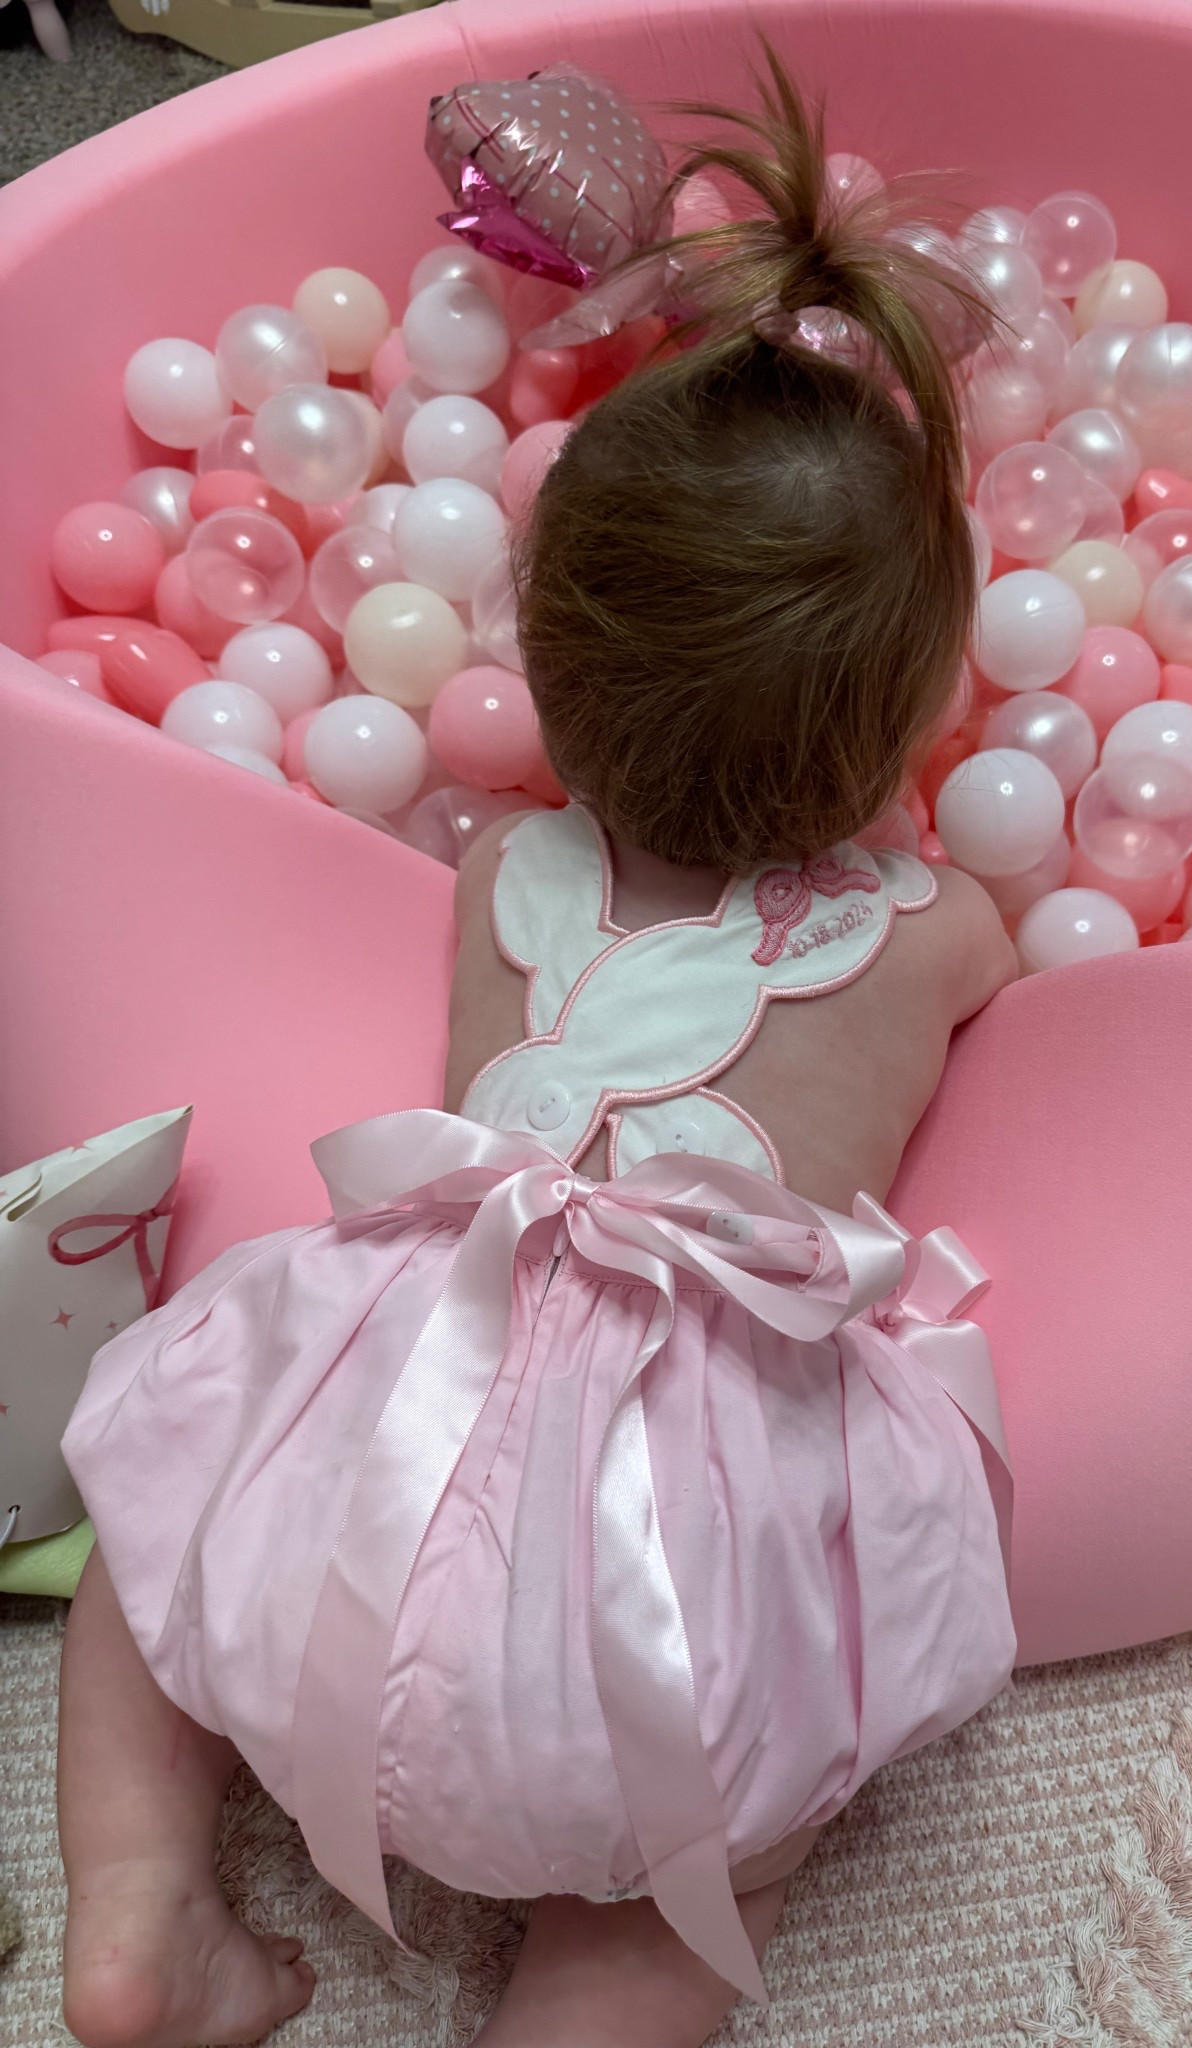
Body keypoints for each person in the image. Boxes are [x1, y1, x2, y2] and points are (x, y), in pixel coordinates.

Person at [57, 53, 1019, 2048]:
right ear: (931, 713)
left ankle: (143, 1910)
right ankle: (579, 2003)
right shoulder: (931, 931)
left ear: (534, 673)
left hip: (363, 1500)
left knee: (151, 1527)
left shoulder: (506, 854)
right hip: (650, 1634)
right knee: (698, 1872)